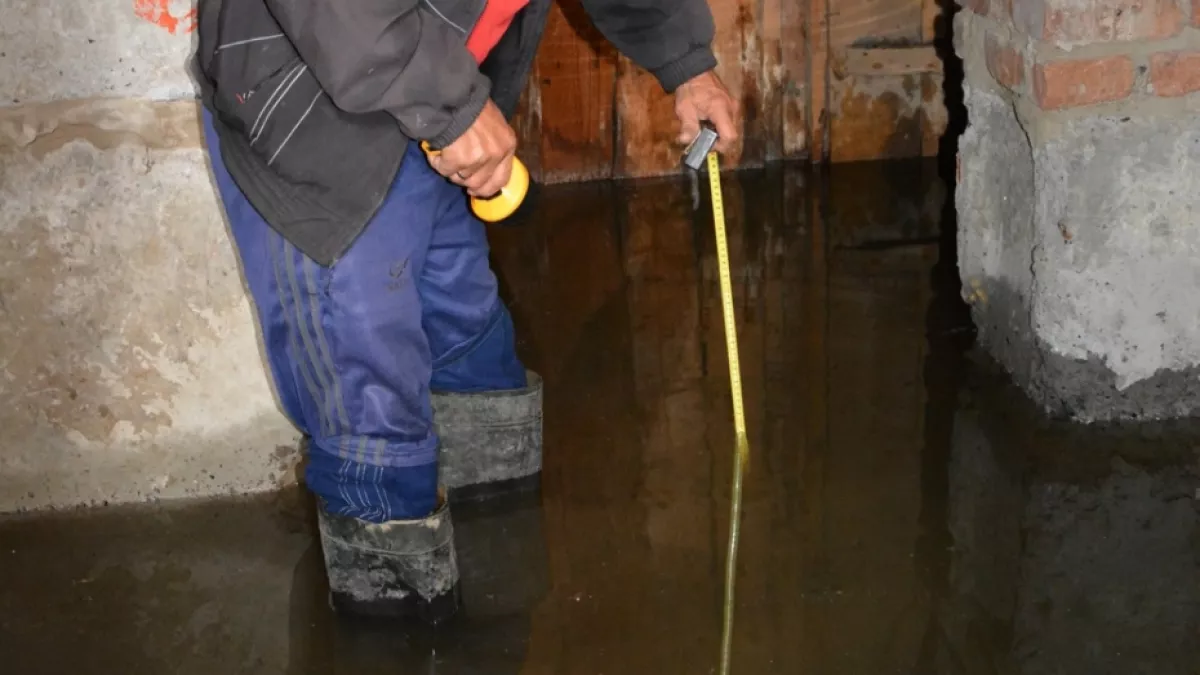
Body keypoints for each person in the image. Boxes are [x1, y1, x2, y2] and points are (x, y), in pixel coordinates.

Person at [191, 0, 740, 624]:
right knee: (370, 408)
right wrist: (452, 107)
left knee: (470, 349)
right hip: (316, 106)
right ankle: (395, 634)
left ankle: (495, 598)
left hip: (435, 89)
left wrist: (686, 61)